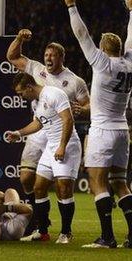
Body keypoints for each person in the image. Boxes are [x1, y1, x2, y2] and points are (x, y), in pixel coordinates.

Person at [7, 28, 89, 236]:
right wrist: (19, 38)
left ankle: (62, 231)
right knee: (29, 180)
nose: (48, 58)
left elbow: (85, 107)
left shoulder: (73, 82)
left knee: (63, 186)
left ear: (62, 57)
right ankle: (41, 223)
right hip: (42, 128)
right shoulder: (35, 69)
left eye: (53, 55)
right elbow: (12, 56)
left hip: (62, 133)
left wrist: (83, 110)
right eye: (46, 55)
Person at [65, 0, 132, 248]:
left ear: (103, 49)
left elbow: (82, 34)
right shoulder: (129, 64)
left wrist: (71, 6)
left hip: (103, 130)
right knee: (120, 183)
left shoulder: (102, 64)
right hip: (122, 130)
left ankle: (107, 237)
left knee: (97, 182)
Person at [7, 72, 81, 244]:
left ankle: (66, 233)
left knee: (64, 189)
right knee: (39, 187)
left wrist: (62, 146)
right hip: (50, 148)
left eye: (21, 93)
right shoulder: (37, 102)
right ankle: (43, 232)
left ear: (29, 87)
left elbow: (68, 120)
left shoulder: (54, 94)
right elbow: (38, 123)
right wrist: (19, 133)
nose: (21, 96)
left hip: (67, 145)